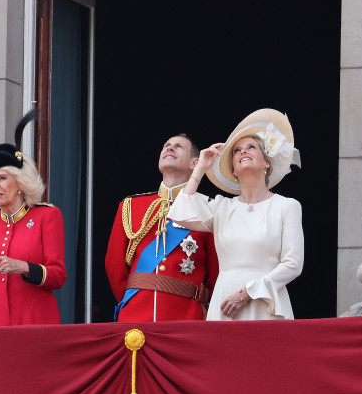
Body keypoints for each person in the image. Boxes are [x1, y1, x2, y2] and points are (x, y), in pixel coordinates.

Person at [169, 109, 304, 320]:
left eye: (251, 147)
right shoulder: (221, 207)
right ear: (233, 168)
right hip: (225, 305)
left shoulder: (287, 206)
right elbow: (179, 214)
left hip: (265, 302)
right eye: (236, 151)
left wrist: (247, 293)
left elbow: (293, 265)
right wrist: (200, 169)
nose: (242, 152)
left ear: (267, 162)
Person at [105, 135, 218, 322]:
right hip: (135, 313)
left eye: (178, 147)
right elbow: (114, 265)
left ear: (195, 163)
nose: (170, 148)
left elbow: (215, 272)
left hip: (186, 316)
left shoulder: (207, 208)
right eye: (166, 145)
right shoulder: (131, 206)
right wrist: (132, 299)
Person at [0, 116, 67, 326]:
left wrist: (24, 267)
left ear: (20, 183)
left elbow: (58, 276)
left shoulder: (47, 216)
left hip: (33, 321)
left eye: (2, 178)